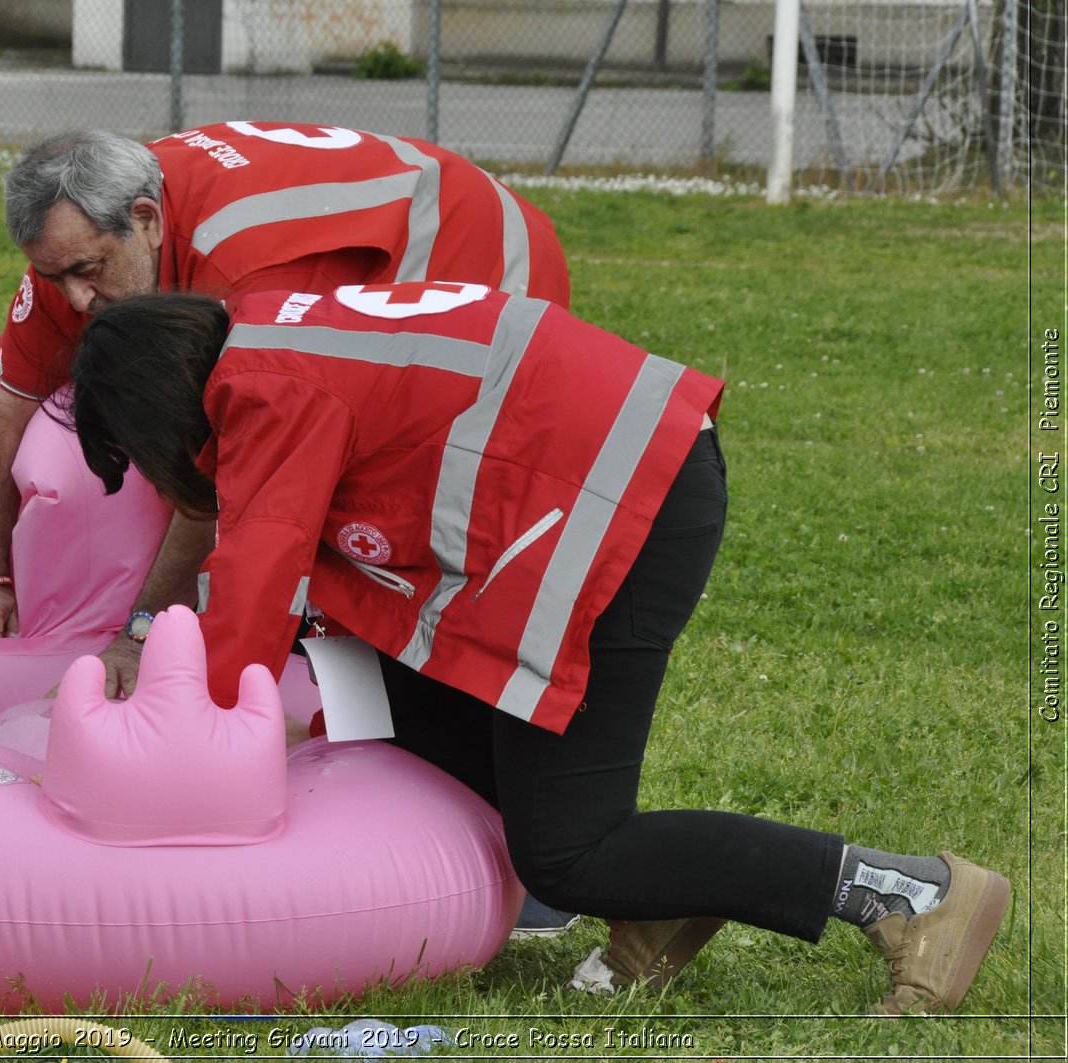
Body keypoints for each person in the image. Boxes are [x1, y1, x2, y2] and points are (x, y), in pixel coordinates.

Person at [65, 284, 1011, 1015]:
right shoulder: (269, 331)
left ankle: (913, 892)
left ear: (158, 413)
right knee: (409, 719)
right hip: (600, 488)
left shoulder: (262, 390)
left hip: (624, 506)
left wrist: (168, 741)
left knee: (568, 850)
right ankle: (667, 889)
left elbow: (251, 595)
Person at [0, 121, 570, 696]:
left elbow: (229, 475)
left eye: (87, 271)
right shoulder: (77, 250)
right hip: (347, 221)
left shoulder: (243, 272)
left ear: (146, 220)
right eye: (54, 277)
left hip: (476, 248)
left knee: (370, 488)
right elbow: (2, 427)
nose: (77, 298)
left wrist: (141, 635)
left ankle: (382, 683)